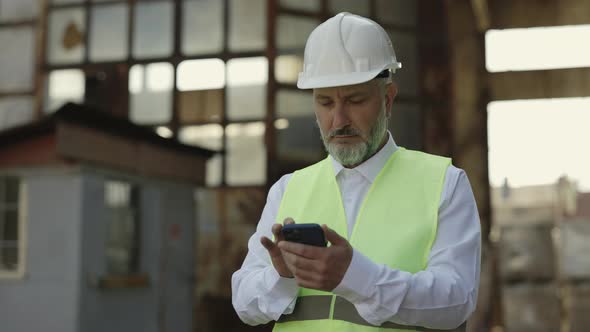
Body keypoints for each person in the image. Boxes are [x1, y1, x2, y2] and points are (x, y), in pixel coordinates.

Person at [232, 12, 481, 332]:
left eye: (354, 100)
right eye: (324, 102)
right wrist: (282, 276)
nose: (338, 120)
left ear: (388, 100)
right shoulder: (288, 189)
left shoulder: (444, 184)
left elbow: (457, 300)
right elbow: (244, 305)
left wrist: (356, 277)